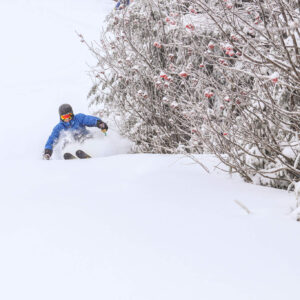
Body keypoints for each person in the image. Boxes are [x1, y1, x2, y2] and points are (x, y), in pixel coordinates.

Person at [43, 104, 108, 160]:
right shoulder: (59, 127)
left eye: (69, 116)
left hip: (84, 137)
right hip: (71, 143)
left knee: (87, 137)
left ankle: (89, 152)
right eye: (64, 117)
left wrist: (99, 123)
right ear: (61, 117)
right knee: (66, 140)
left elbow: (88, 119)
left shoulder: (79, 118)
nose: (67, 119)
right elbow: (52, 139)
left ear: (72, 114)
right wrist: (48, 151)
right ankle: (70, 155)